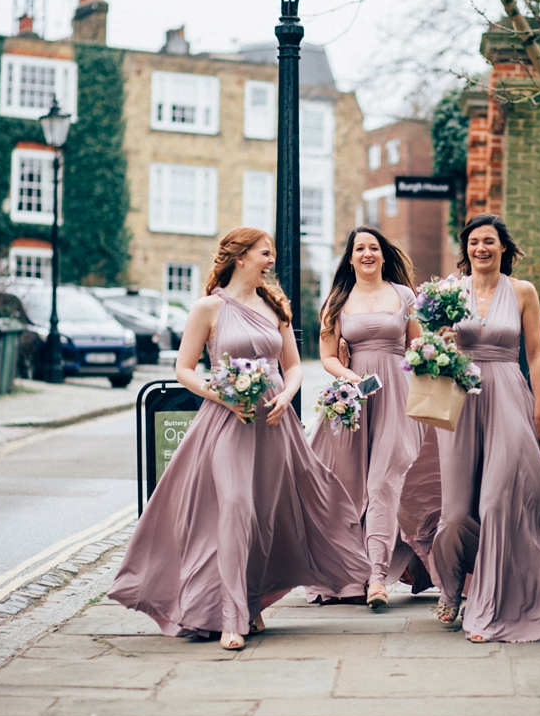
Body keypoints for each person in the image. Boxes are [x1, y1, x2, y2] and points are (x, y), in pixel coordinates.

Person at [108, 228, 370, 651]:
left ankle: (249, 601)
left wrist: (286, 394)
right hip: (227, 420)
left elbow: (293, 364)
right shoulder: (208, 307)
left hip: (272, 424)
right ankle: (230, 617)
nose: (271, 261)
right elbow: (184, 369)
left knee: (264, 518)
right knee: (234, 507)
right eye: (265, 253)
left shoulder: (274, 307)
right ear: (240, 257)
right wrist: (223, 397)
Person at [431, 213, 540, 643]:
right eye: (474, 242)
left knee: (501, 502)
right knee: (457, 513)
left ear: (504, 248)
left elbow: (536, 355)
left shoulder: (522, 292)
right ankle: (450, 588)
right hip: (460, 398)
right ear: (466, 249)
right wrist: (439, 340)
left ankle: (490, 606)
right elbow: (424, 344)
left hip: (508, 397)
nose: (481, 248)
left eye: (490, 242)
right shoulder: (448, 292)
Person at [309, 227, 438, 607]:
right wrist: (353, 378)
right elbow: (328, 356)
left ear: (384, 255)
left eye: (374, 248)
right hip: (357, 398)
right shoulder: (337, 301)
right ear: (350, 258)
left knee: (386, 481)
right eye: (359, 248)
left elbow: (417, 344)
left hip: (398, 397)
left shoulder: (403, 295)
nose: (367, 254)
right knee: (348, 487)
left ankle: (378, 577)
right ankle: (346, 572)